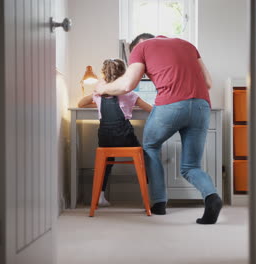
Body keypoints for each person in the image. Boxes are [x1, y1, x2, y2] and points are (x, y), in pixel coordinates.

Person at [95, 34, 222, 224]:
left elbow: (128, 84)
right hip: (202, 106)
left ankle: (159, 203)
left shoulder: (141, 48)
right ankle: (212, 197)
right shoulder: (187, 44)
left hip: (171, 105)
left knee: (151, 146)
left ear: (136, 45)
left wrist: (103, 89)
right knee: (191, 166)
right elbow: (208, 83)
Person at [78, 58, 152, 206]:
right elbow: (150, 109)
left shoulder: (98, 93)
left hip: (106, 139)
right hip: (125, 138)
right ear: (124, 74)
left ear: (104, 73)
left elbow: (80, 104)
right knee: (146, 158)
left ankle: (100, 196)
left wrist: (98, 104)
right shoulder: (129, 93)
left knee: (107, 162)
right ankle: (151, 195)